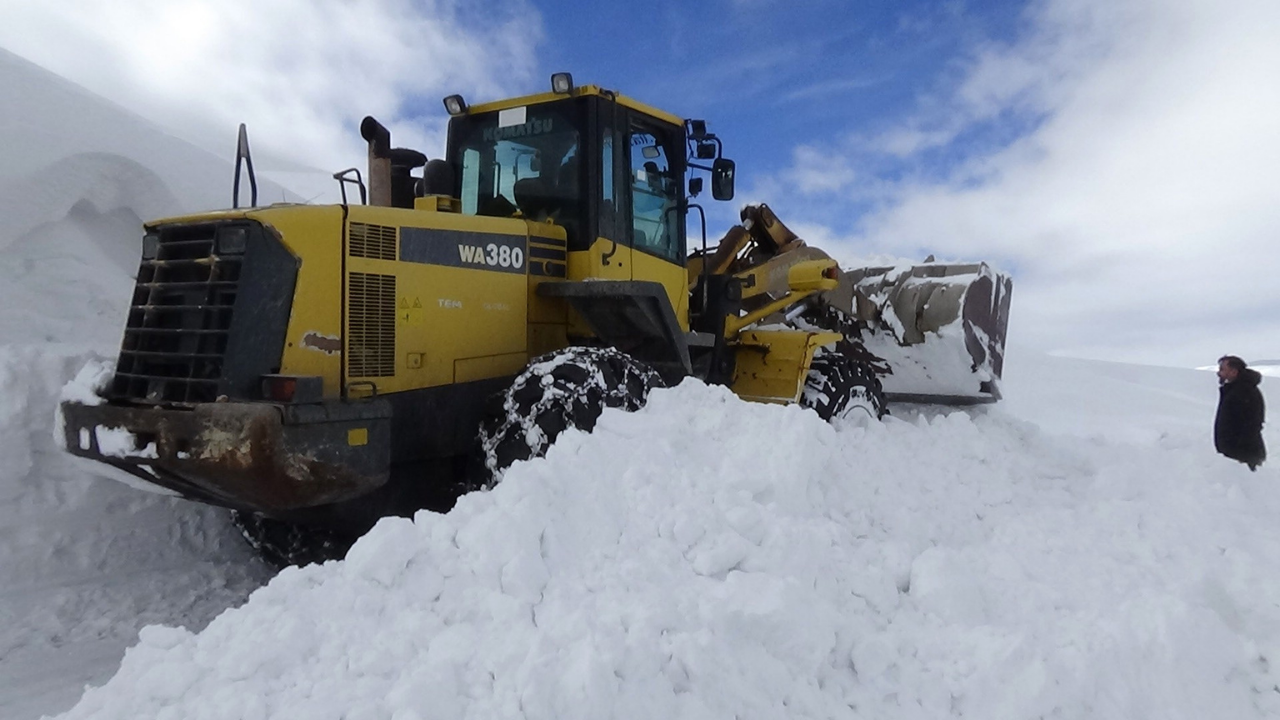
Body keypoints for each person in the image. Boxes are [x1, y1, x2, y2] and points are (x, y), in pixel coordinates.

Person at [1215, 355, 1266, 470]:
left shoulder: (1245, 392)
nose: (1219, 373)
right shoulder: (1234, 390)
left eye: (1222, 369)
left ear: (1233, 372)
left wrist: (1240, 454)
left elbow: (1251, 425)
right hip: (1235, 455)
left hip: (1243, 457)